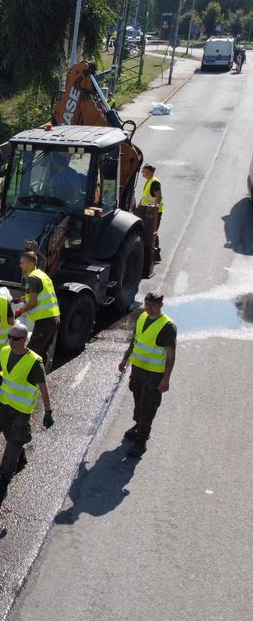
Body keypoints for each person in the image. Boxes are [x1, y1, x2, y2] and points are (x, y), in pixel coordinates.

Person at [0, 323, 54, 505]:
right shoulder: (4, 352)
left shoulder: (34, 361)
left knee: (13, 442)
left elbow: (43, 387)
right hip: (3, 405)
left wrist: (48, 411)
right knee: (10, 436)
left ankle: (3, 482)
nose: (11, 340)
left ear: (25, 340)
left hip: (22, 410)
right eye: (9, 336)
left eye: (16, 338)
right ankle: (21, 455)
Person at [117, 291, 176, 457]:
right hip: (138, 369)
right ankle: (138, 425)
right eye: (146, 304)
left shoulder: (167, 327)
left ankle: (141, 441)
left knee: (148, 405)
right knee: (137, 398)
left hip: (154, 374)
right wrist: (125, 359)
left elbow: (171, 356)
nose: (148, 308)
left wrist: (166, 379)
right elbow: (135, 341)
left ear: (161, 306)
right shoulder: (142, 317)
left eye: (153, 305)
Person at [14, 250, 60, 364]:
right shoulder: (42, 274)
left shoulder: (32, 278)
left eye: (22, 263)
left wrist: (19, 312)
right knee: (42, 351)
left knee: (33, 352)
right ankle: (40, 378)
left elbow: (33, 302)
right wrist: (21, 299)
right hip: (54, 317)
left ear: (30, 263)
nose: (20, 266)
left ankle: (32, 379)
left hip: (45, 320)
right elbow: (40, 294)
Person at [139, 163, 164, 263]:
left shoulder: (155, 182)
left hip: (153, 211)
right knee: (150, 232)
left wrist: (155, 209)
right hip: (147, 210)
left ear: (148, 171)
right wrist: (139, 206)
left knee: (152, 232)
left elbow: (159, 196)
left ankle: (155, 254)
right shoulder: (149, 181)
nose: (141, 172)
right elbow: (145, 196)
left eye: (143, 170)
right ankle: (155, 254)